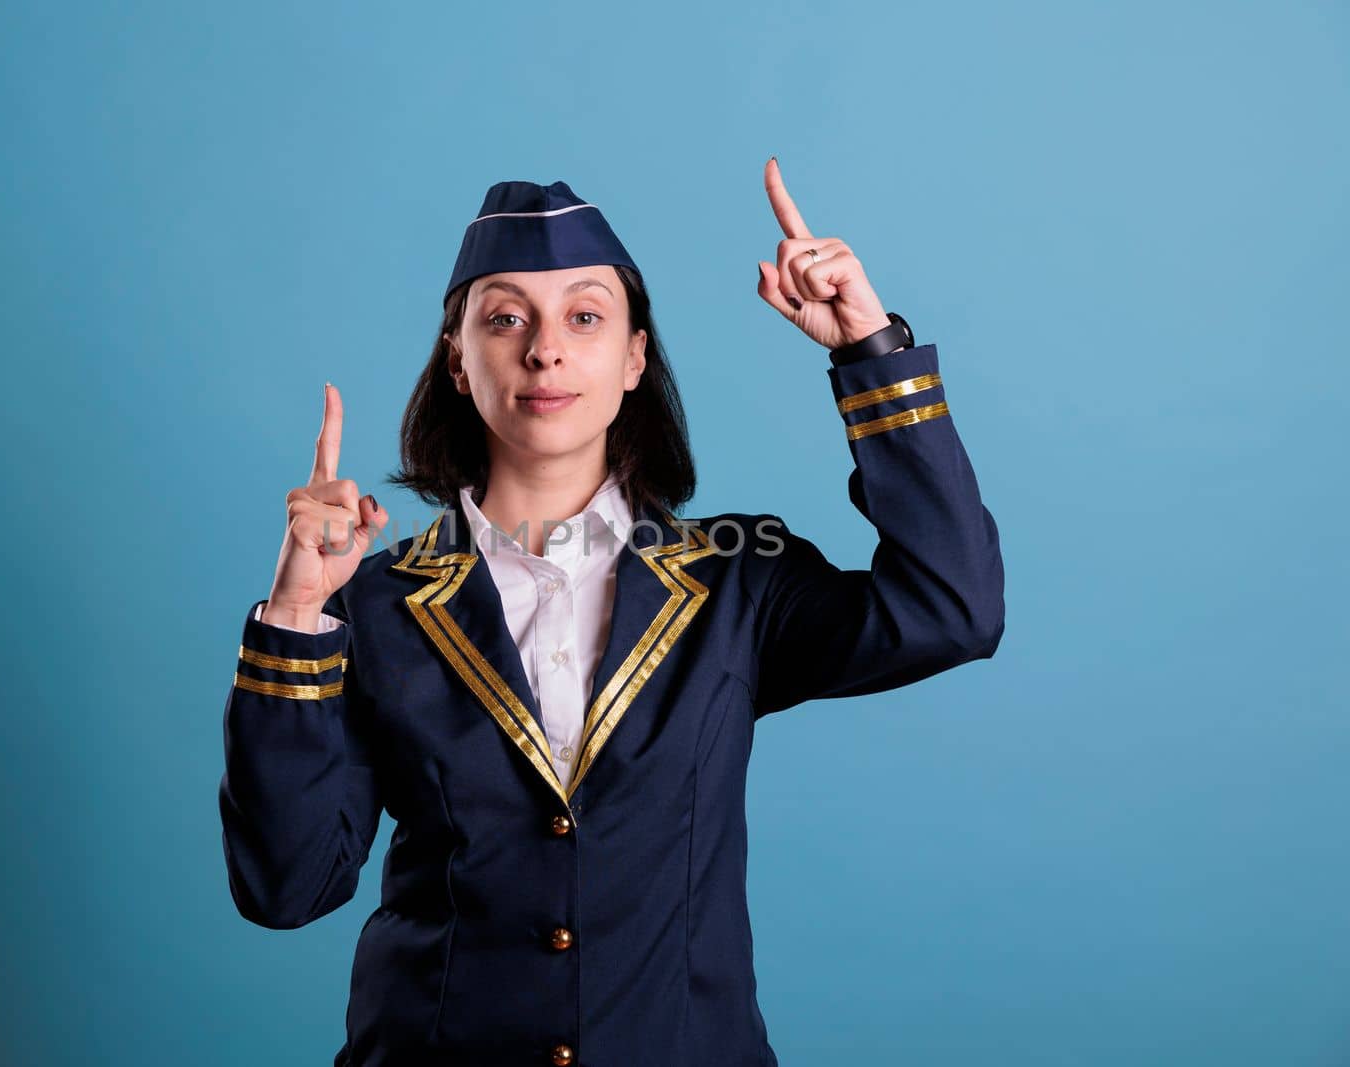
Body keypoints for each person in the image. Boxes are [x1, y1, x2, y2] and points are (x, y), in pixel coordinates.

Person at [218, 158, 1005, 1066]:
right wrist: (293, 612)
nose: (544, 350)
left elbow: (955, 609)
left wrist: (870, 347)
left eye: (584, 316)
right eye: (505, 318)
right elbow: (287, 886)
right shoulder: (368, 607)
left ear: (634, 356)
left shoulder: (733, 582)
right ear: (458, 362)